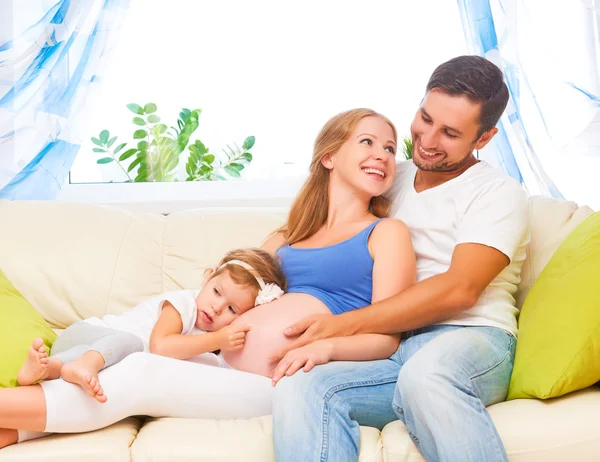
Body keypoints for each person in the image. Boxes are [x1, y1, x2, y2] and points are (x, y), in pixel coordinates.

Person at [0, 108, 416, 448]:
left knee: (142, 372)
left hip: (277, 383)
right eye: (367, 142)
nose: (382, 154)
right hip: (217, 365)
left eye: (390, 148)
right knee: (124, 367)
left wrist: (324, 348)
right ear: (328, 155)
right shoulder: (285, 240)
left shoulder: (385, 233)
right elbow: (229, 294)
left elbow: (386, 338)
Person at [271, 55, 530, 462]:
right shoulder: (391, 177)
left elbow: (461, 290)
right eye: (425, 118)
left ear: (483, 138)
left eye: (449, 133)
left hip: (471, 338)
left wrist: (339, 328)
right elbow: (321, 227)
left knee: (426, 376)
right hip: (393, 349)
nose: (427, 139)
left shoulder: (498, 192)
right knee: (302, 383)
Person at [17, 248, 287, 403]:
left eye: (232, 309)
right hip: (84, 335)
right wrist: (217, 340)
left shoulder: (213, 348)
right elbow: (159, 346)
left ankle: (44, 370)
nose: (217, 307)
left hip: (81, 356)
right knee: (132, 345)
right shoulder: (183, 304)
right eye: (217, 291)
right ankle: (79, 364)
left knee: (114, 373)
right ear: (208, 278)